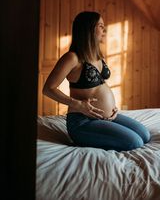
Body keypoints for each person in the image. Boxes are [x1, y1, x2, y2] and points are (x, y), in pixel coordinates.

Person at [43, 11, 150, 151]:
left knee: (145, 135)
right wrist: (78, 104)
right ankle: (84, 139)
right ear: (89, 29)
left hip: (107, 117)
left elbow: (100, 87)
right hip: (83, 121)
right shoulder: (72, 58)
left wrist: (112, 107)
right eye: (100, 26)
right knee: (134, 142)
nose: (104, 30)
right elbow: (48, 88)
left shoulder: (98, 56)